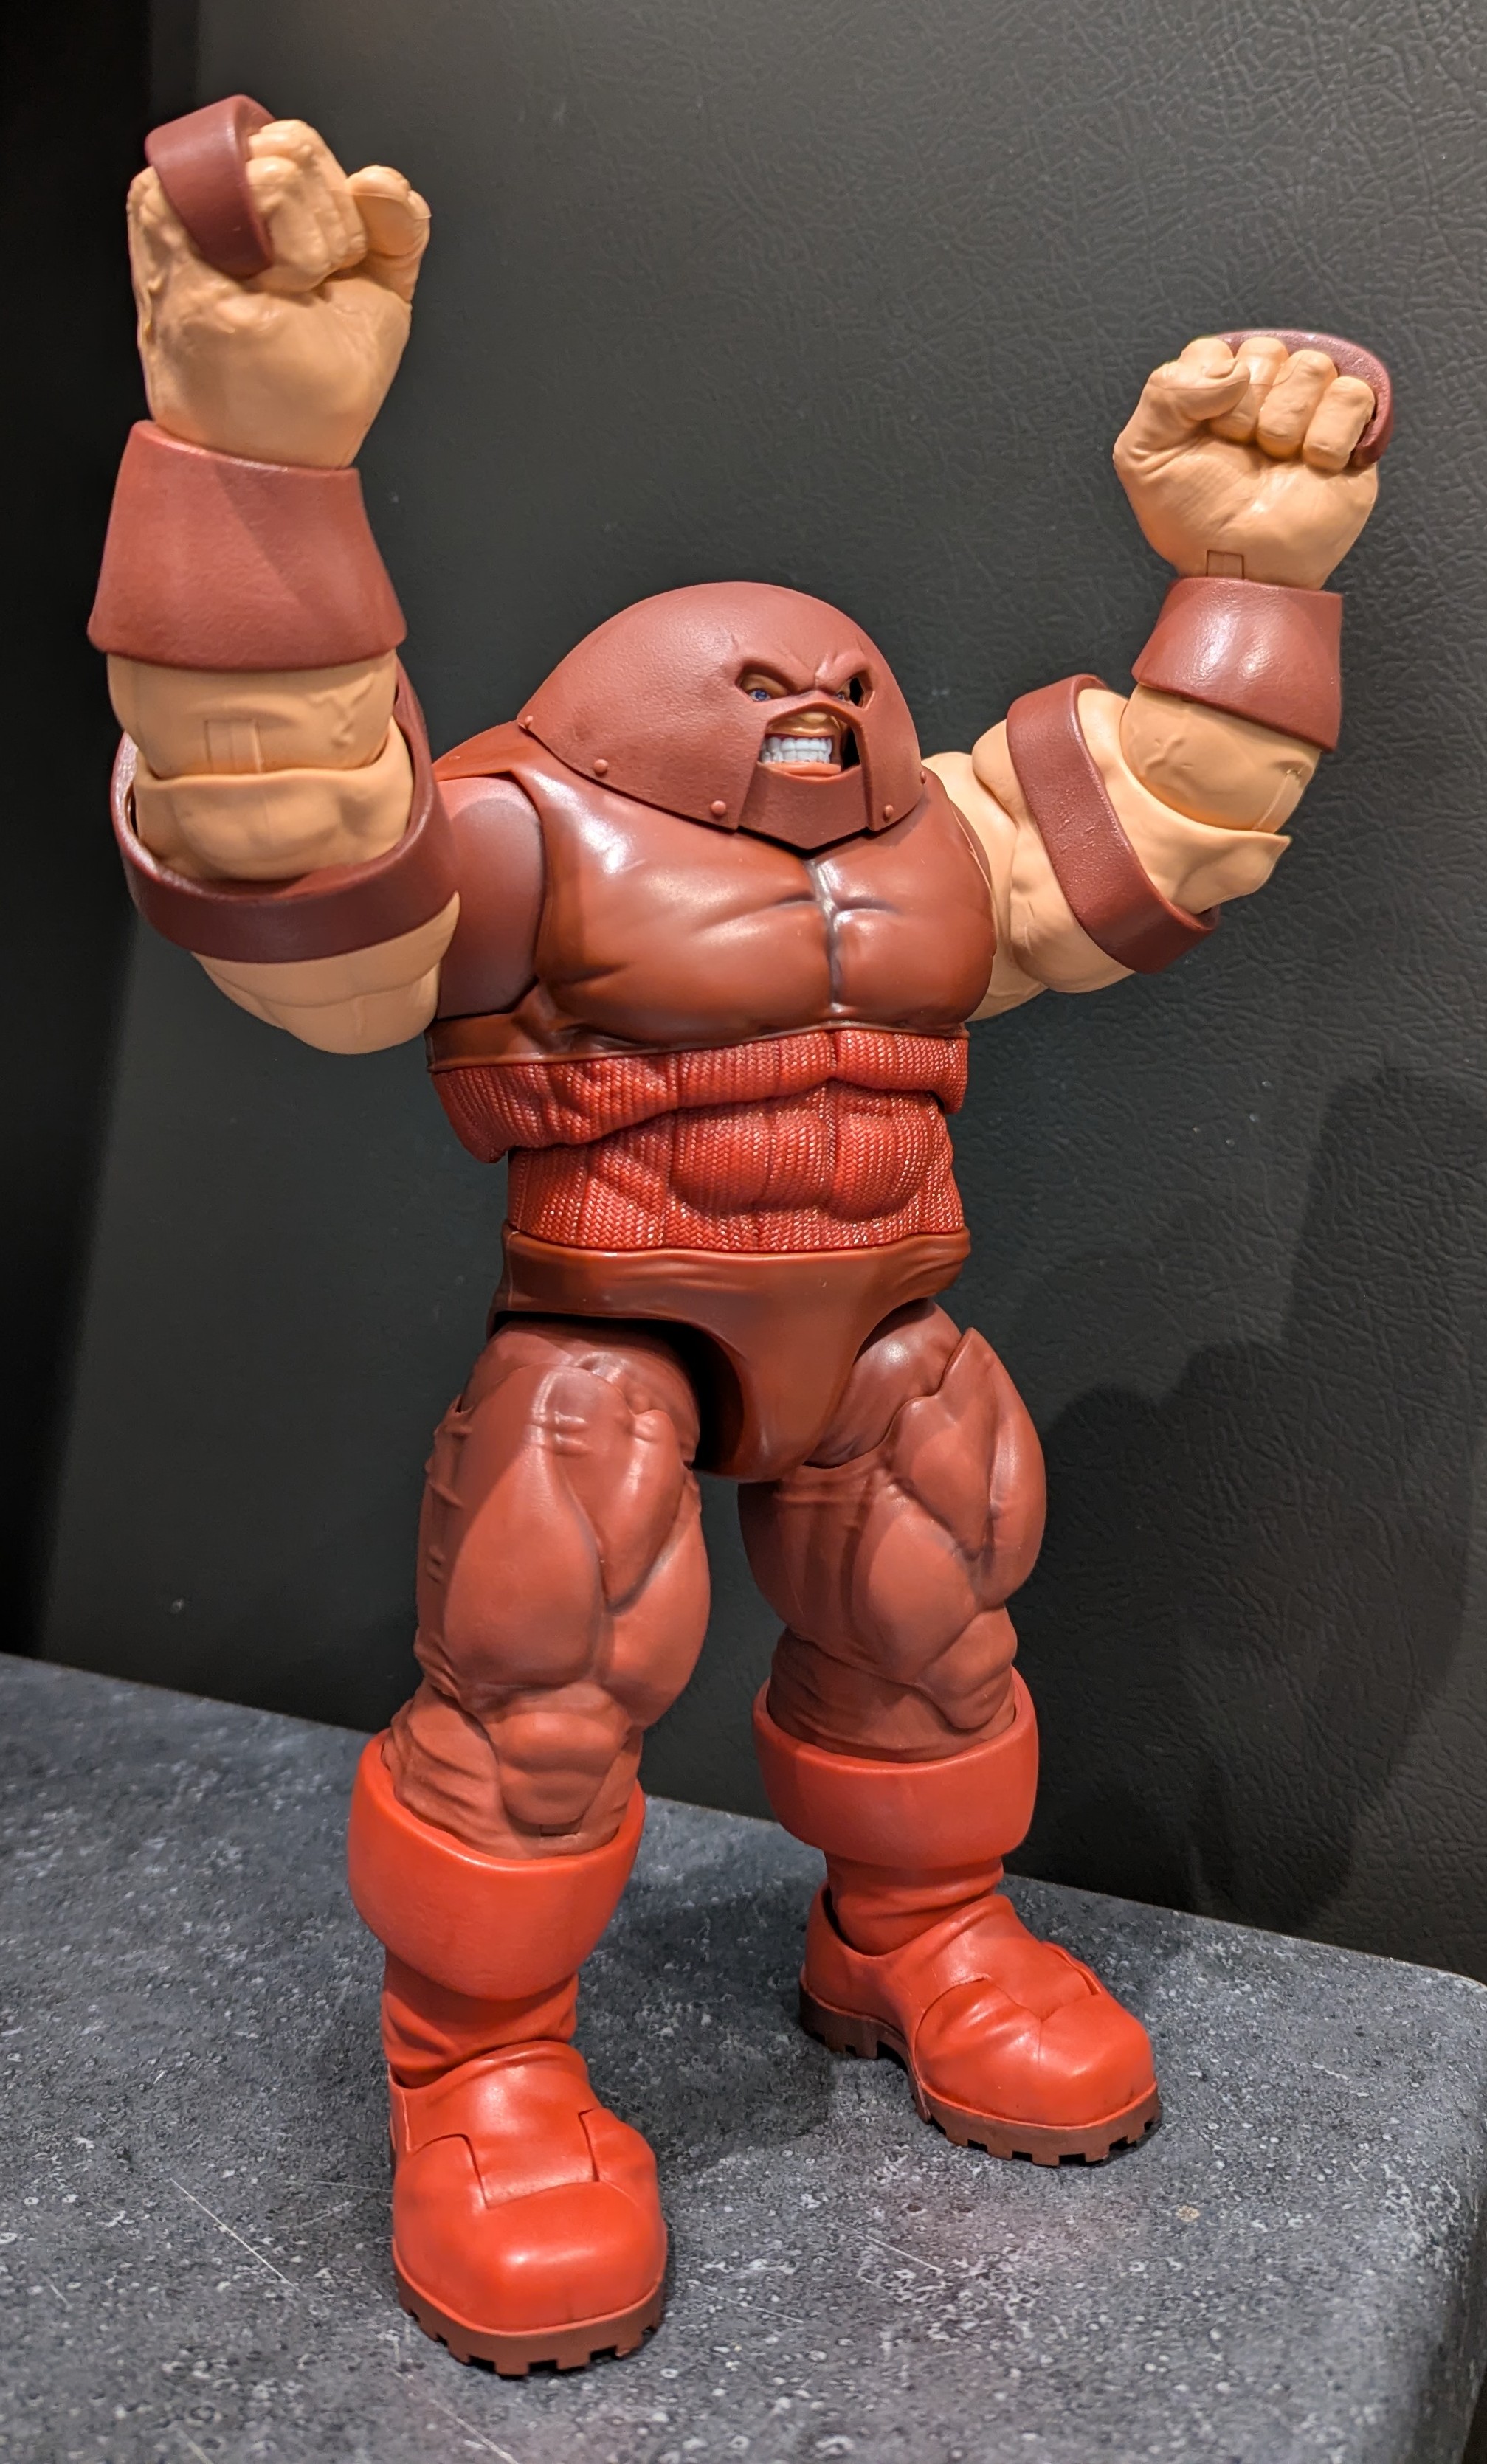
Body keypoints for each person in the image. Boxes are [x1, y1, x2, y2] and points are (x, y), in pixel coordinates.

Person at [91, 98, 1386, 2374]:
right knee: (551, 1648)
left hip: (878, 1321)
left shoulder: (937, 853)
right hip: (616, 1322)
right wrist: (254, 457)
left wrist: (1249, 583)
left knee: (937, 1587)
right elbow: (283, 837)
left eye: (841, 691)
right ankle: (478, 2063)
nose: (813, 710)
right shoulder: (532, 831)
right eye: (762, 692)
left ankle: (918, 1924)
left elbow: (1175, 821)